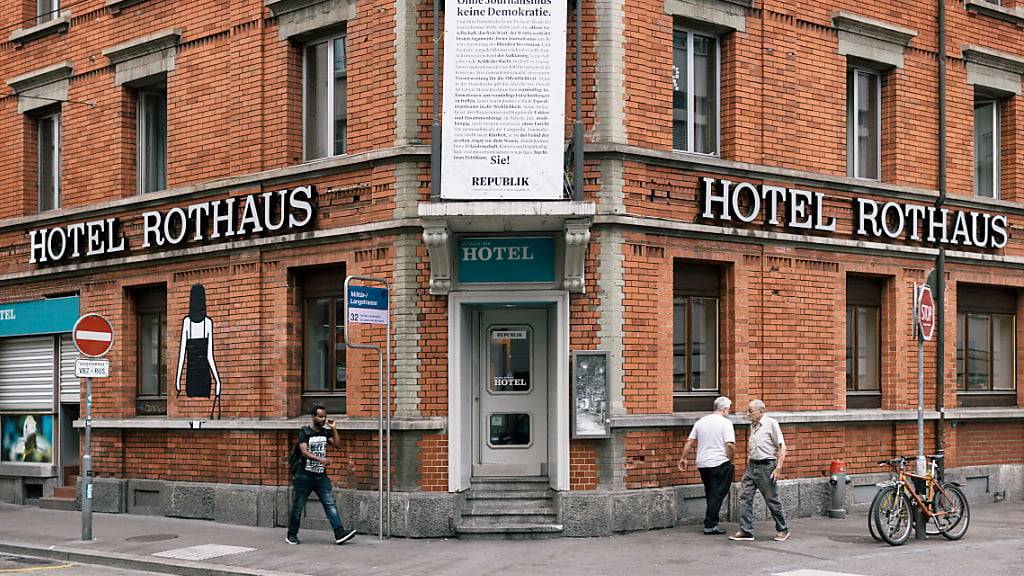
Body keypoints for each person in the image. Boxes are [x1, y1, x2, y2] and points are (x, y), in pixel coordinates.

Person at [286, 405, 357, 545]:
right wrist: (321, 460)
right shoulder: (305, 433)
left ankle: (339, 533)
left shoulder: (325, 433)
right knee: (298, 506)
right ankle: (291, 535)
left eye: (324, 416)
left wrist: (334, 428)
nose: (323, 419)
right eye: (320, 416)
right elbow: (304, 452)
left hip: (320, 476)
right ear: (313, 417)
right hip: (304, 476)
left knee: (330, 504)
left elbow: (337, 445)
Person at [730, 399, 789, 542]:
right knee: (744, 497)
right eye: (748, 411)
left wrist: (778, 468)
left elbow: (782, 447)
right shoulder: (753, 426)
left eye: (750, 411)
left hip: (766, 466)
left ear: (761, 411)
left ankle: (783, 529)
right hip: (752, 466)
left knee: (771, 499)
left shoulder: (771, 424)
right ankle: (746, 531)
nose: (747, 414)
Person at [677, 396, 735, 535]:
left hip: (703, 463)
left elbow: (690, 441)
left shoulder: (701, 422)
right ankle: (710, 525)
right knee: (718, 494)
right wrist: (731, 460)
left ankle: (711, 522)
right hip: (719, 462)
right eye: (729, 408)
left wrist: (683, 458)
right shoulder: (726, 423)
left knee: (710, 492)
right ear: (725, 409)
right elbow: (730, 444)